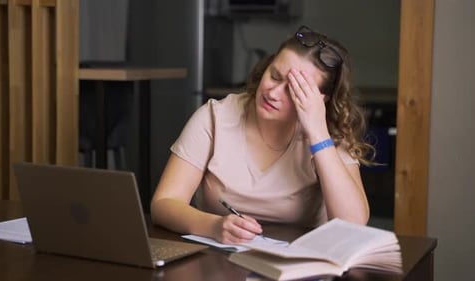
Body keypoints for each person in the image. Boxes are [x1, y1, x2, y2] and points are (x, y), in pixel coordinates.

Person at [151, 26, 376, 244]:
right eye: (275, 76)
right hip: (220, 260)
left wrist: (317, 132)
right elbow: (163, 203)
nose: (273, 93)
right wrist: (213, 226)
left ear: (321, 99)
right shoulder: (214, 117)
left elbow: (353, 224)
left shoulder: (328, 132)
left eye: (294, 90)